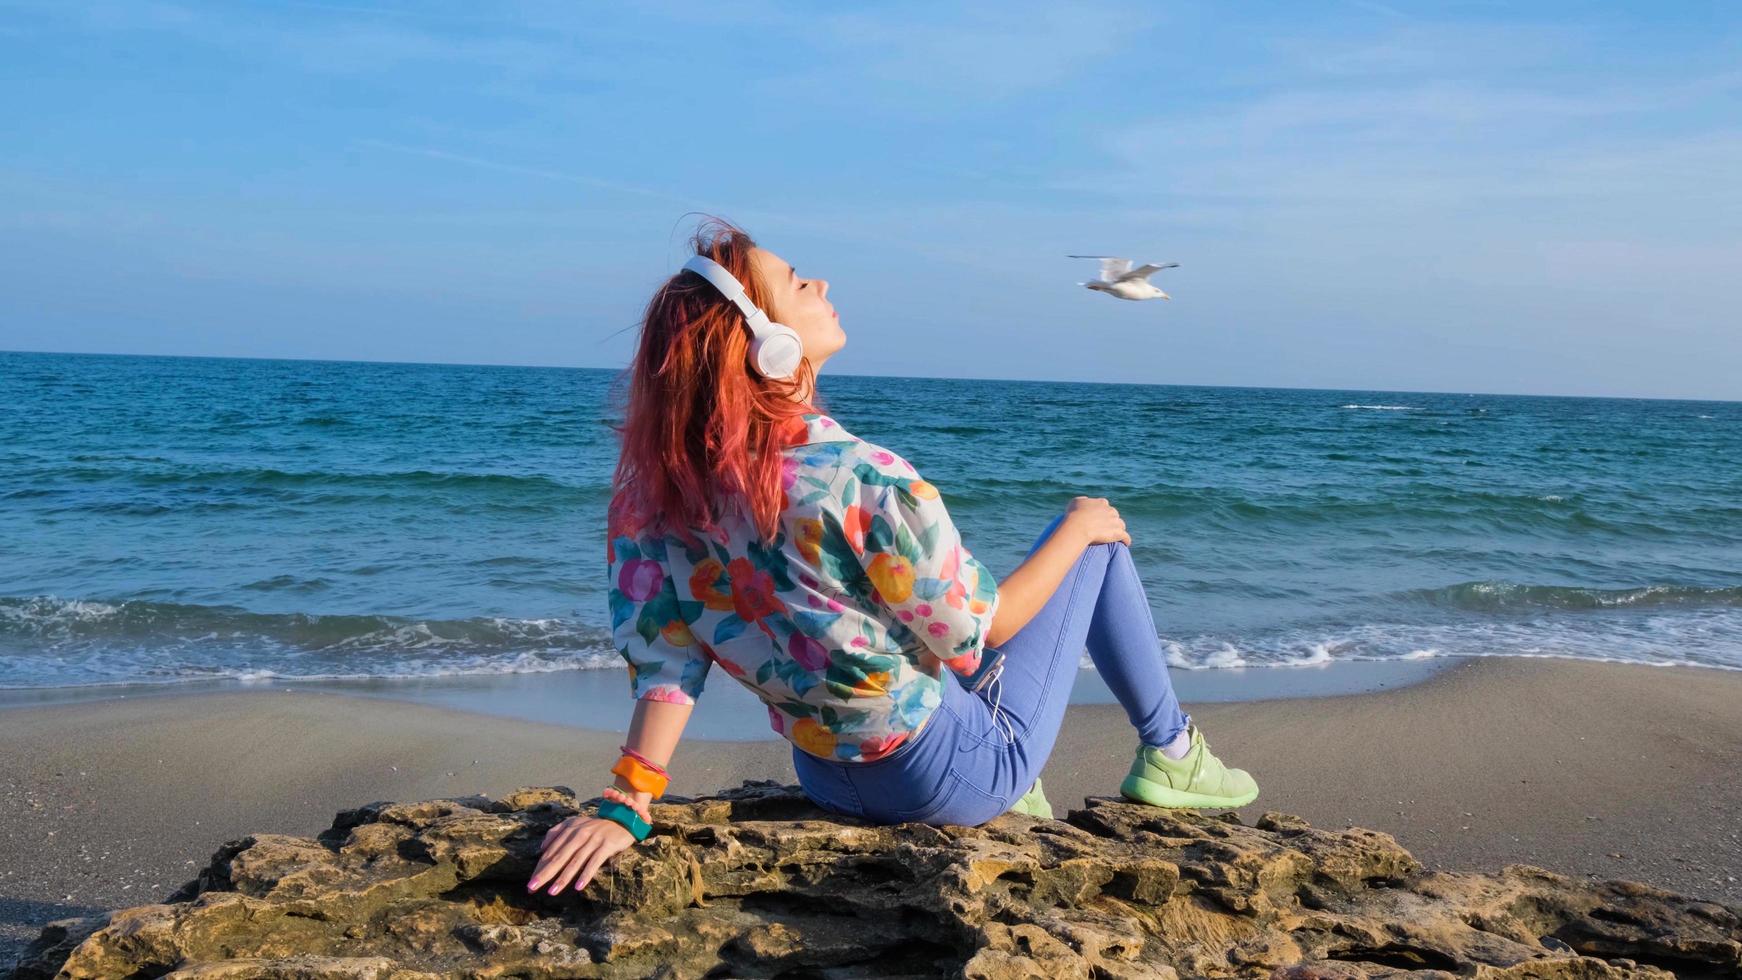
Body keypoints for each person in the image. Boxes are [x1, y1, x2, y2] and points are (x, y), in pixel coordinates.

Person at [528, 216, 1258, 897]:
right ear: (763, 341)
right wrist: (1076, 525)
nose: (822, 286)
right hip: (948, 780)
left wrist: (628, 801)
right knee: (1094, 548)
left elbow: (668, 664)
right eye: (796, 283)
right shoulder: (859, 476)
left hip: (825, 775)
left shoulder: (655, 499)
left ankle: (1076, 768)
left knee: (896, 625)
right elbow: (984, 631)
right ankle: (1171, 752)